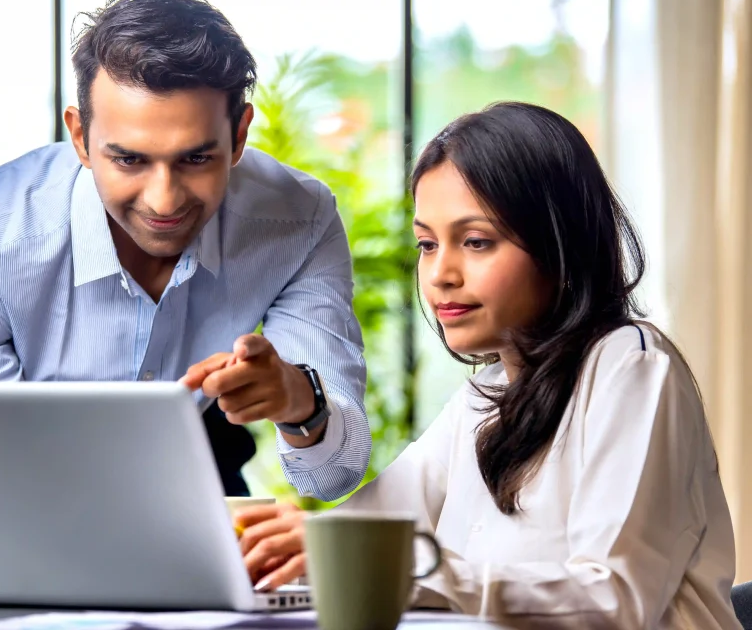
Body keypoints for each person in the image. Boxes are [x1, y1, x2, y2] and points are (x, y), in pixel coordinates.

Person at [235, 102, 740, 628]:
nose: (439, 274)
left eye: (476, 242)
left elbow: (613, 600)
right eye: (427, 244)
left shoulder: (630, 368)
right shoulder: (485, 395)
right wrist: (282, 545)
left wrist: (397, 567)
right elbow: (366, 531)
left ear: (558, 245)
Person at [0, 0, 371, 502]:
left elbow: (332, 476)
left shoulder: (298, 219)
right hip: (32, 502)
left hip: (201, 485)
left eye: (196, 158)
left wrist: (299, 399)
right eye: (130, 159)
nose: (164, 201)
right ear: (81, 137)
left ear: (240, 136)